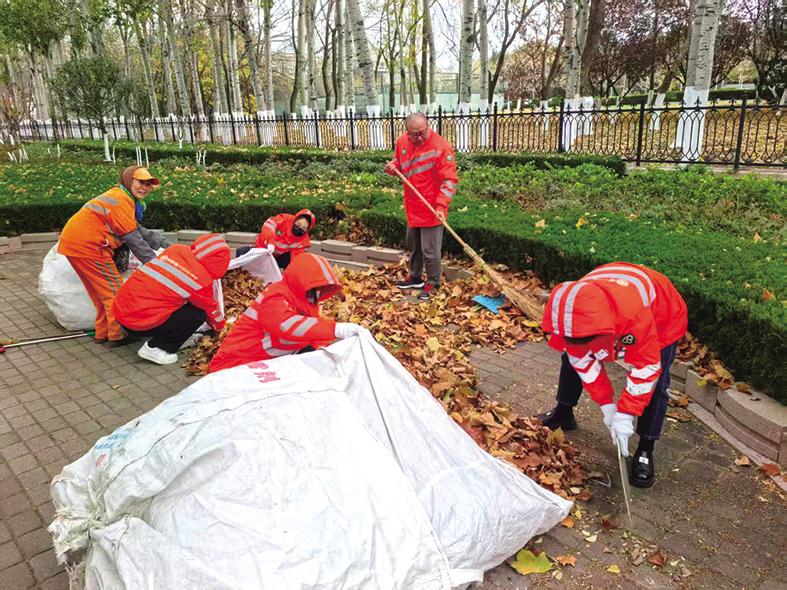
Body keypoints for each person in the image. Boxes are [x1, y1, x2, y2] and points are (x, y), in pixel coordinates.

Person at [538, 262, 688, 488]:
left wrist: (626, 414)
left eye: (584, 339)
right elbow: (581, 358)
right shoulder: (571, 308)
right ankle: (564, 412)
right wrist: (607, 407)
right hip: (617, 307)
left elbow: (646, 368)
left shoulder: (633, 316)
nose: (579, 344)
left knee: (657, 385)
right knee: (571, 358)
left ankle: (646, 448)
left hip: (662, 318)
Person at [57, 165, 170, 346]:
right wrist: (155, 265)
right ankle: (117, 335)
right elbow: (132, 237)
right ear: (127, 179)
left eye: (149, 184)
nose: (145, 187)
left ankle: (103, 333)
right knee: (115, 292)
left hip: (74, 245)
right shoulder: (121, 200)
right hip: (91, 247)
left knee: (100, 293)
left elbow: (138, 229)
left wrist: (165, 245)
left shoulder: (121, 197)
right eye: (141, 182)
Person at [209, 252, 362, 372]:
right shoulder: (275, 296)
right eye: (316, 285)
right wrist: (335, 329)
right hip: (235, 364)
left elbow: (310, 335)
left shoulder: (306, 302)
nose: (318, 291)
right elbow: (286, 325)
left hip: (263, 363)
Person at [113, 234, 231, 365]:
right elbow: (210, 308)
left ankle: (168, 335)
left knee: (180, 302)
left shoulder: (175, 250)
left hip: (121, 309)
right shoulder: (200, 279)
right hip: (138, 322)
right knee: (197, 314)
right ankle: (157, 348)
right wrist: (221, 327)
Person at [385, 112, 458, 300]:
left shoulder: (440, 147)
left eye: (422, 133)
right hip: (413, 206)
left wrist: (441, 206)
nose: (418, 137)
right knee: (414, 246)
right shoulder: (402, 142)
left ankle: (433, 282)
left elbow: (449, 181)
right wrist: (393, 167)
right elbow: (399, 162)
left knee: (430, 251)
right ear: (407, 132)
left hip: (432, 209)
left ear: (428, 126)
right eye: (413, 134)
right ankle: (415, 277)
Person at [235, 209, 315, 269]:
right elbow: (269, 225)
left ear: (307, 230)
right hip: (262, 251)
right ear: (296, 220)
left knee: (291, 261)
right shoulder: (284, 220)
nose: (299, 228)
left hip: (277, 258)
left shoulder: (302, 241)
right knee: (241, 252)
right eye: (298, 224)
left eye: (303, 228)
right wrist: (270, 242)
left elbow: (295, 262)